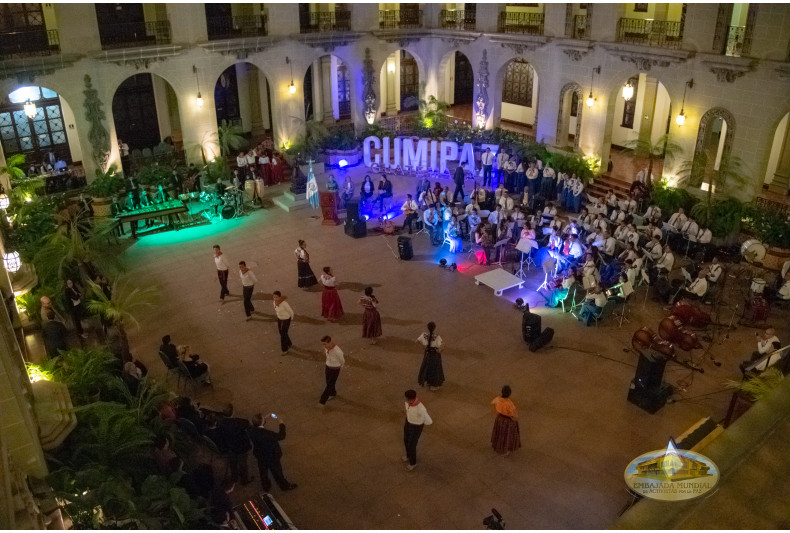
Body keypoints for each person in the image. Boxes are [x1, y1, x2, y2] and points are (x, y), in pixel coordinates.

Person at [247, 413, 298, 492]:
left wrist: (264, 419)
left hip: (260, 454)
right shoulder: (268, 434)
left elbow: (257, 426)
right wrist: (281, 423)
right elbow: (281, 436)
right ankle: (285, 486)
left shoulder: (251, 430)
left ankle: (266, 486)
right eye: (263, 419)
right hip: (272, 455)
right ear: (262, 422)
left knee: (263, 471)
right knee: (277, 472)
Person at [402, 389, 432, 471]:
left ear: (412, 399)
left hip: (416, 427)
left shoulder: (421, 409)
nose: (406, 401)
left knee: (412, 445)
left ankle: (413, 463)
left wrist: (420, 422)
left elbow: (429, 421)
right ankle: (408, 455)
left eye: (408, 399)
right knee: (406, 440)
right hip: (408, 422)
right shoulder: (407, 403)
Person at [491, 385, 521, 457]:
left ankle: (498, 446)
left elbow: (492, 403)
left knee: (500, 433)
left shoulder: (497, 399)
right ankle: (505, 450)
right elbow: (513, 414)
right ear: (509, 394)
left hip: (499, 418)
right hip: (508, 421)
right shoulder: (509, 403)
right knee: (507, 435)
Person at [417, 322, 444, 390]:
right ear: (434, 328)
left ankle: (427, 381)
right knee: (435, 370)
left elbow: (417, 341)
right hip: (435, 355)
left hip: (427, 354)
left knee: (426, 367)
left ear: (427, 327)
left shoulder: (424, 335)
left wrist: (424, 346)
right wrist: (439, 351)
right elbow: (441, 346)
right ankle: (433, 385)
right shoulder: (437, 336)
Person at [319, 335, 344, 405]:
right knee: (328, 382)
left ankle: (322, 401)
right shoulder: (327, 348)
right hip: (328, 367)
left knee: (329, 384)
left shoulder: (337, 351)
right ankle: (333, 393)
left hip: (335, 369)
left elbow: (342, 360)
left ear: (329, 342)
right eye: (323, 344)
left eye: (325, 344)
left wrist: (340, 367)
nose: (324, 346)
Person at [272, 291, 294, 355]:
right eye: (274, 297)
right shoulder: (274, 303)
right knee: (281, 332)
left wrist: (291, 318)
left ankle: (285, 349)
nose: (275, 298)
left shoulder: (284, 304)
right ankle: (289, 343)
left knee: (283, 335)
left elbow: (291, 311)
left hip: (286, 319)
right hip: (280, 318)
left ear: (280, 297)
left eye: (276, 297)